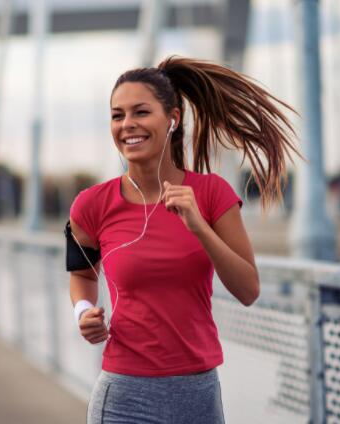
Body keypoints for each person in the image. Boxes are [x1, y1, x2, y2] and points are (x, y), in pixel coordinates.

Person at [65, 56, 302, 424]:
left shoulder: (211, 193)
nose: (127, 125)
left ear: (172, 119)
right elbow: (81, 274)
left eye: (141, 112)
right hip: (124, 398)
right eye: (117, 115)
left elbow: (249, 290)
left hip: (197, 397)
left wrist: (199, 227)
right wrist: (84, 312)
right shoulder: (90, 204)